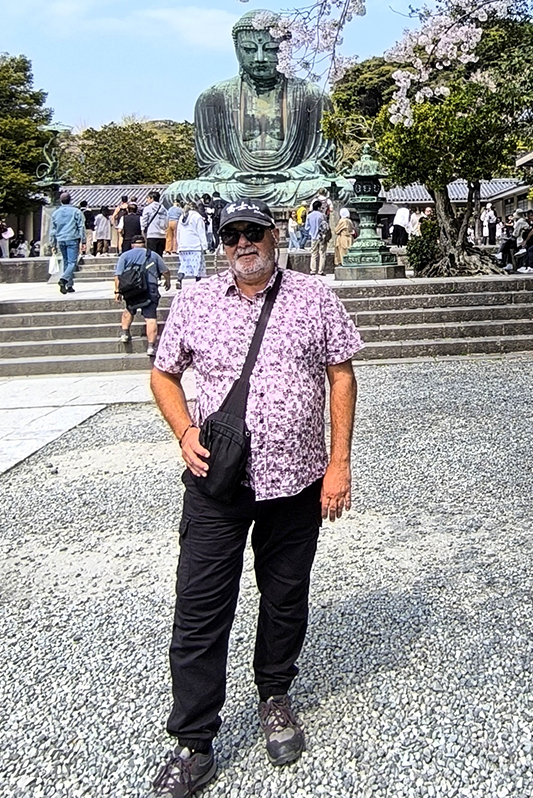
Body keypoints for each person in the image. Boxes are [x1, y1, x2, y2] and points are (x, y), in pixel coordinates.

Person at [147, 199, 361, 796]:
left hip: (297, 479)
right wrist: (184, 432)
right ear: (222, 244)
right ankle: (194, 742)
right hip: (219, 482)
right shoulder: (195, 301)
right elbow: (163, 372)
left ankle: (274, 693)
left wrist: (339, 462)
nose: (243, 243)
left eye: (254, 232)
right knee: (200, 608)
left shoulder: (314, 297)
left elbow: (341, 374)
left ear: (274, 236)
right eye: (232, 235)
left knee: (285, 595)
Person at [165, 11, 347, 207]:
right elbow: (211, 163)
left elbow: (320, 159)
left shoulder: (312, 96)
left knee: (344, 189)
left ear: (286, 49)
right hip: (235, 183)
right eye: (249, 49)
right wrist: (235, 174)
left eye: (271, 49)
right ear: (237, 50)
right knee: (176, 192)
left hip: (290, 183)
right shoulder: (213, 98)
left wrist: (289, 174)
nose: (260, 58)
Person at [115, 235, 171, 357]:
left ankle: (125, 333)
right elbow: (165, 271)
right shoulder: (153, 255)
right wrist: (168, 281)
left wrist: (117, 292)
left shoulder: (124, 256)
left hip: (132, 288)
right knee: (150, 318)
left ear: (132, 245)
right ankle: (151, 347)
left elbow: (118, 275)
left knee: (129, 309)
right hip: (150, 288)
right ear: (144, 244)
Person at [49, 192, 84, 294]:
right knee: (72, 262)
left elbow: (53, 230)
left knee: (66, 261)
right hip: (72, 238)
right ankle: (63, 280)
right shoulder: (76, 212)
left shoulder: (55, 213)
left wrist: (53, 243)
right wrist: (83, 240)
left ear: (61, 201)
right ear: (70, 200)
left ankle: (69, 285)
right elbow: (81, 226)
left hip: (60, 239)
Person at [175, 202, 208, 289]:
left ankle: (179, 280)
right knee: (197, 266)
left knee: (183, 265)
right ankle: (198, 283)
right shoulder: (197, 217)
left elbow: (178, 232)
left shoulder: (182, 217)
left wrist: (179, 244)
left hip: (183, 245)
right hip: (195, 245)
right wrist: (204, 245)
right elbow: (201, 232)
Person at [306, 199, 329, 275]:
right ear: (319, 207)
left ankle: (313, 270)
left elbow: (306, 227)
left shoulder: (309, 216)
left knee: (313, 254)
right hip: (322, 236)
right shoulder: (322, 215)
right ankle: (320, 271)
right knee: (322, 253)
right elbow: (325, 226)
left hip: (313, 237)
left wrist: (311, 232)